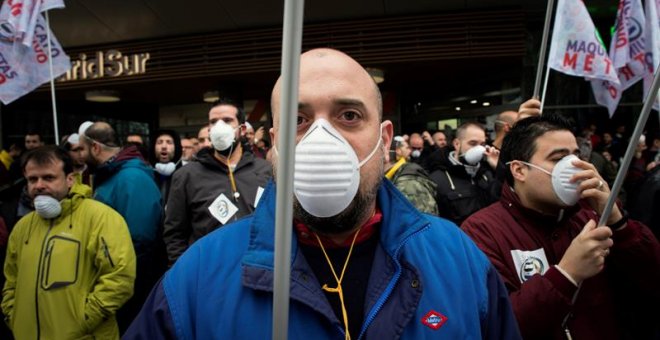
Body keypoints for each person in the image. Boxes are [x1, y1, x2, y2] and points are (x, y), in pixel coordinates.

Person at [125, 48, 520, 339]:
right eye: (298, 120)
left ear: (384, 141)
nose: (321, 139)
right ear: (274, 143)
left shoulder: (458, 260)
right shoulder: (197, 280)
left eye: (349, 116)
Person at [461, 114, 660, 339]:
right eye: (558, 159)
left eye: (576, 156)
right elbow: (497, 324)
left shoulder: (592, 217)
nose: (574, 167)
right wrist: (566, 274)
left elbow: (651, 279)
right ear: (519, 170)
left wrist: (618, 220)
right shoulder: (482, 231)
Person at [2, 146, 135, 339]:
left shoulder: (101, 218)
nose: (39, 185)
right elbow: (11, 281)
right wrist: (13, 317)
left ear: (70, 179)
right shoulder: (22, 228)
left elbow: (119, 277)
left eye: (48, 177)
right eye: (32, 179)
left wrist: (84, 319)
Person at [162, 99, 272, 265]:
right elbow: (175, 234)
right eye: (213, 122)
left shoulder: (266, 170)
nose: (219, 126)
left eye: (227, 121)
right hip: (209, 271)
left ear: (242, 129)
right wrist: (182, 273)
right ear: (209, 130)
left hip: (260, 268)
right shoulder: (187, 175)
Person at [80, 122, 163, 332]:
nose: (79, 156)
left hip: (129, 289)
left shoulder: (131, 178)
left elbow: (140, 239)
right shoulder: (111, 175)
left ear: (95, 147)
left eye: (82, 148)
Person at [428, 122, 500, 225]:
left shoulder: (486, 174)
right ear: (457, 144)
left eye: (482, 144)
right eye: (473, 143)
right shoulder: (437, 179)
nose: (479, 149)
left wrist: (498, 169)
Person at [384, 136, 438, 215]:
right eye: (407, 147)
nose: (410, 150)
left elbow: (422, 223)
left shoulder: (408, 184)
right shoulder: (392, 177)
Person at [150, 129, 182, 204]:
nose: (164, 146)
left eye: (169, 142)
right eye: (159, 142)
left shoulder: (186, 175)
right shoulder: (146, 174)